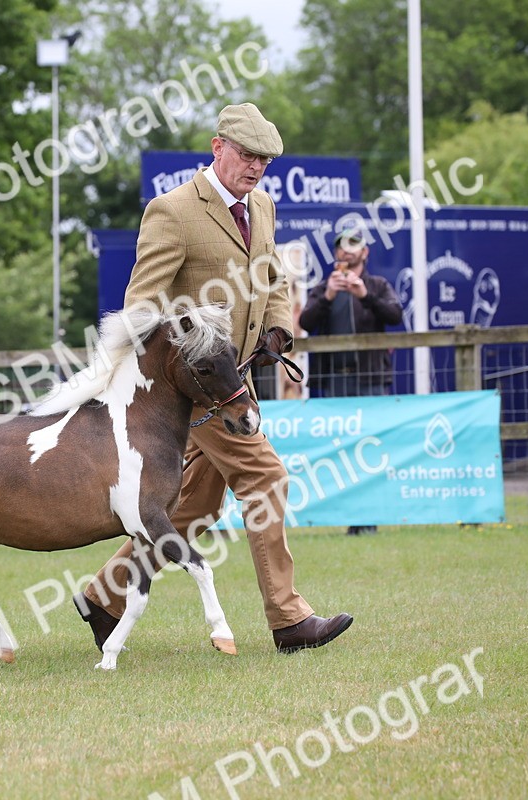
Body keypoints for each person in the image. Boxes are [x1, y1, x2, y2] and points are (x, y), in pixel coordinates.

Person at [73, 103, 353, 655]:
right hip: (193, 386)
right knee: (267, 478)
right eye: (246, 155)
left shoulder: (264, 206)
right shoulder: (172, 211)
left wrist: (276, 328)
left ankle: (104, 596)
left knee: (195, 506)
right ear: (217, 146)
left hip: (237, 383)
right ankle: (289, 619)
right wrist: (195, 347)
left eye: (264, 161)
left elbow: (272, 276)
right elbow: (141, 304)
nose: (255, 168)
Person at [298, 226, 403, 534]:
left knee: (370, 449)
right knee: (341, 451)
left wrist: (364, 294)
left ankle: (368, 520)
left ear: (365, 252)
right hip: (335, 382)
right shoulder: (323, 287)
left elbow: (395, 315)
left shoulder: (377, 284)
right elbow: (305, 322)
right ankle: (350, 519)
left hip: (371, 379)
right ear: (335, 255)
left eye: (354, 244)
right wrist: (329, 296)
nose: (347, 251)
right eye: (342, 246)